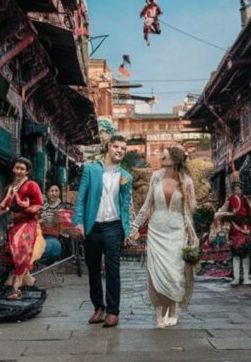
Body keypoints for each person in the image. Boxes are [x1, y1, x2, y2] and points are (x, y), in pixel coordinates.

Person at [130, 146, 198, 328]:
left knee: (175, 273)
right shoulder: (156, 177)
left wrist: (191, 233)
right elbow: (147, 205)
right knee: (156, 273)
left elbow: (190, 211)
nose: (162, 156)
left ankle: (174, 309)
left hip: (177, 231)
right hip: (156, 230)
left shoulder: (187, 181)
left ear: (175, 159)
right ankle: (159, 313)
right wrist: (136, 225)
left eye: (165, 154)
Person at [73, 133, 133, 328]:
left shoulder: (126, 177)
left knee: (113, 270)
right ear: (109, 147)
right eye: (117, 147)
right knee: (93, 269)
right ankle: (99, 307)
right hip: (93, 226)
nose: (120, 151)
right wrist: (79, 222)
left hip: (114, 227)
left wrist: (128, 228)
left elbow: (126, 205)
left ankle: (113, 311)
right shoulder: (91, 169)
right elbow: (81, 198)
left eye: (123, 149)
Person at [0, 157, 44, 298]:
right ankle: (20, 283)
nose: (19, 171)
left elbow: (39, 204)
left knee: (21, 250)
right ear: (13, 169)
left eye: (23, 169)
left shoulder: (32, 185)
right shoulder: (9, 188)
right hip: (13, 224)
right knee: (9, 253)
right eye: (17, 168)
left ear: (27, 171)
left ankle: (16, 288)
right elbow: (3, 207)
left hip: (28, 224)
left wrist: (26, 209)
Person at [216, 175, 251, 286]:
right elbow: (223, 209)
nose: (237, 191)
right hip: (234, 230)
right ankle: (236, 278)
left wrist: (249, 223)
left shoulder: (246, 200)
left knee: (246, 254)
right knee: (236, 255)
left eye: (239, 189)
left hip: (245, 228)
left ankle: (246, 278)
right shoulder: (230, 200)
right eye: (236, 189)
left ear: (242, 190)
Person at [38, 183, 71, 265]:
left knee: (51, 246)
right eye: (51, 191)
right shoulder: (42, 207)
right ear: (48, 194)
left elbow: (66, 227)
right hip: (39, 235)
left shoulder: (63, 207)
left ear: (59, 193)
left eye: (56, 191)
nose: (54, 193)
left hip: (55, 237)